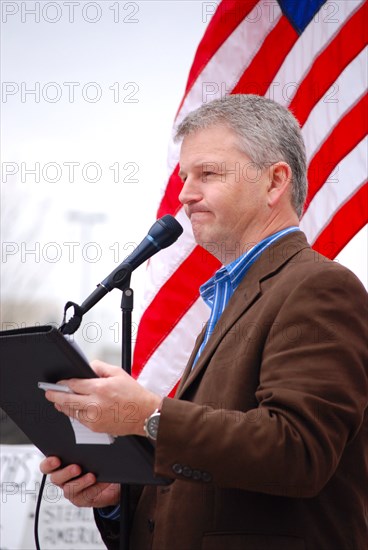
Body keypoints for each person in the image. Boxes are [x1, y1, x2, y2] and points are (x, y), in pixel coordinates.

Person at [40, 95, 368, 550]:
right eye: (184, 177)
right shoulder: (230, 303)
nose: (185, 194)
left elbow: (297, 452)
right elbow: (210, 480)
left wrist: (147, 415)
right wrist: (119, 497)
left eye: (207, 174)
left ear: (274, 182)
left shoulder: (319, 287)